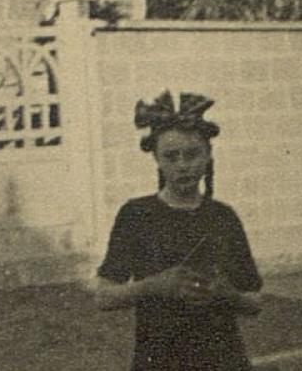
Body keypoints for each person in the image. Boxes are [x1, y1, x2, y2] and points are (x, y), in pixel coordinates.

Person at [93, 90, 263, 371]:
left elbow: (254, 302)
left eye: (192, 154)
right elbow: (104, 296)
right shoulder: (136, 215)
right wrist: (154, 286)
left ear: (208, 155)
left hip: (222, 357)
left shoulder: (223, 217)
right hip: (160, 357)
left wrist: (227, 294)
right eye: (171, 156)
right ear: (157, 160)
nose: (183, 165)